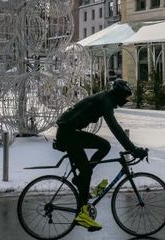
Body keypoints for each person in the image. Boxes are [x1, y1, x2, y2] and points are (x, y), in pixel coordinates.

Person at [55, 79, 147, 232]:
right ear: (118, 94)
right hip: (67, 133)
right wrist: (132, 149)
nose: (125, 101)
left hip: (69, 131)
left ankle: (82, 178)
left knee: (104, 146)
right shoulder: (105, 100)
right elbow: (115, 127)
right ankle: (82, 214)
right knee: (86, 171)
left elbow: (114, 127)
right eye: (125, 97)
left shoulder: (106, 98)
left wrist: (132, 148)